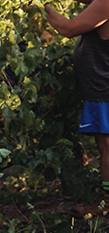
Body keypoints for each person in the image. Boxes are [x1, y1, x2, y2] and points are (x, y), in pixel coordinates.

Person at [46, 0, 109, 217]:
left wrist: (43, 6)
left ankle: (106, 203)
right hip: (101, 89)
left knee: (107, 147)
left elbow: (68, 28)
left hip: (104, 90)